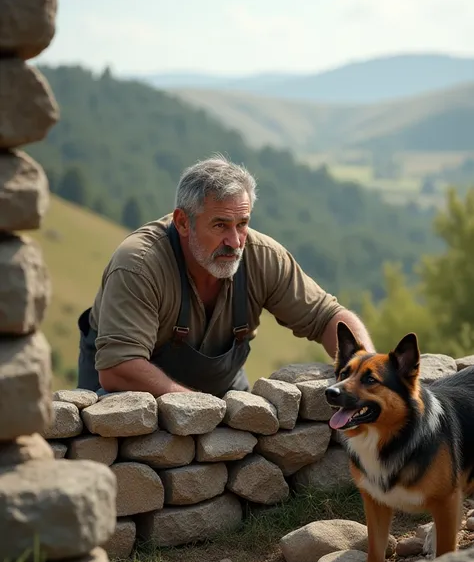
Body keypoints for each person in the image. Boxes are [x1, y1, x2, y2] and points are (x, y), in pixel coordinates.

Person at [77, 155, 375, 398]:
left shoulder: (262, 257)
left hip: (223, 393)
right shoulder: (139, 264)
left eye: (242, 224)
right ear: (183, 222)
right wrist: (198, 408)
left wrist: (369, 372)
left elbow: (327, 317)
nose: (235, 241)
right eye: (220, 225)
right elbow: (119, 366)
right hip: (127, 402)